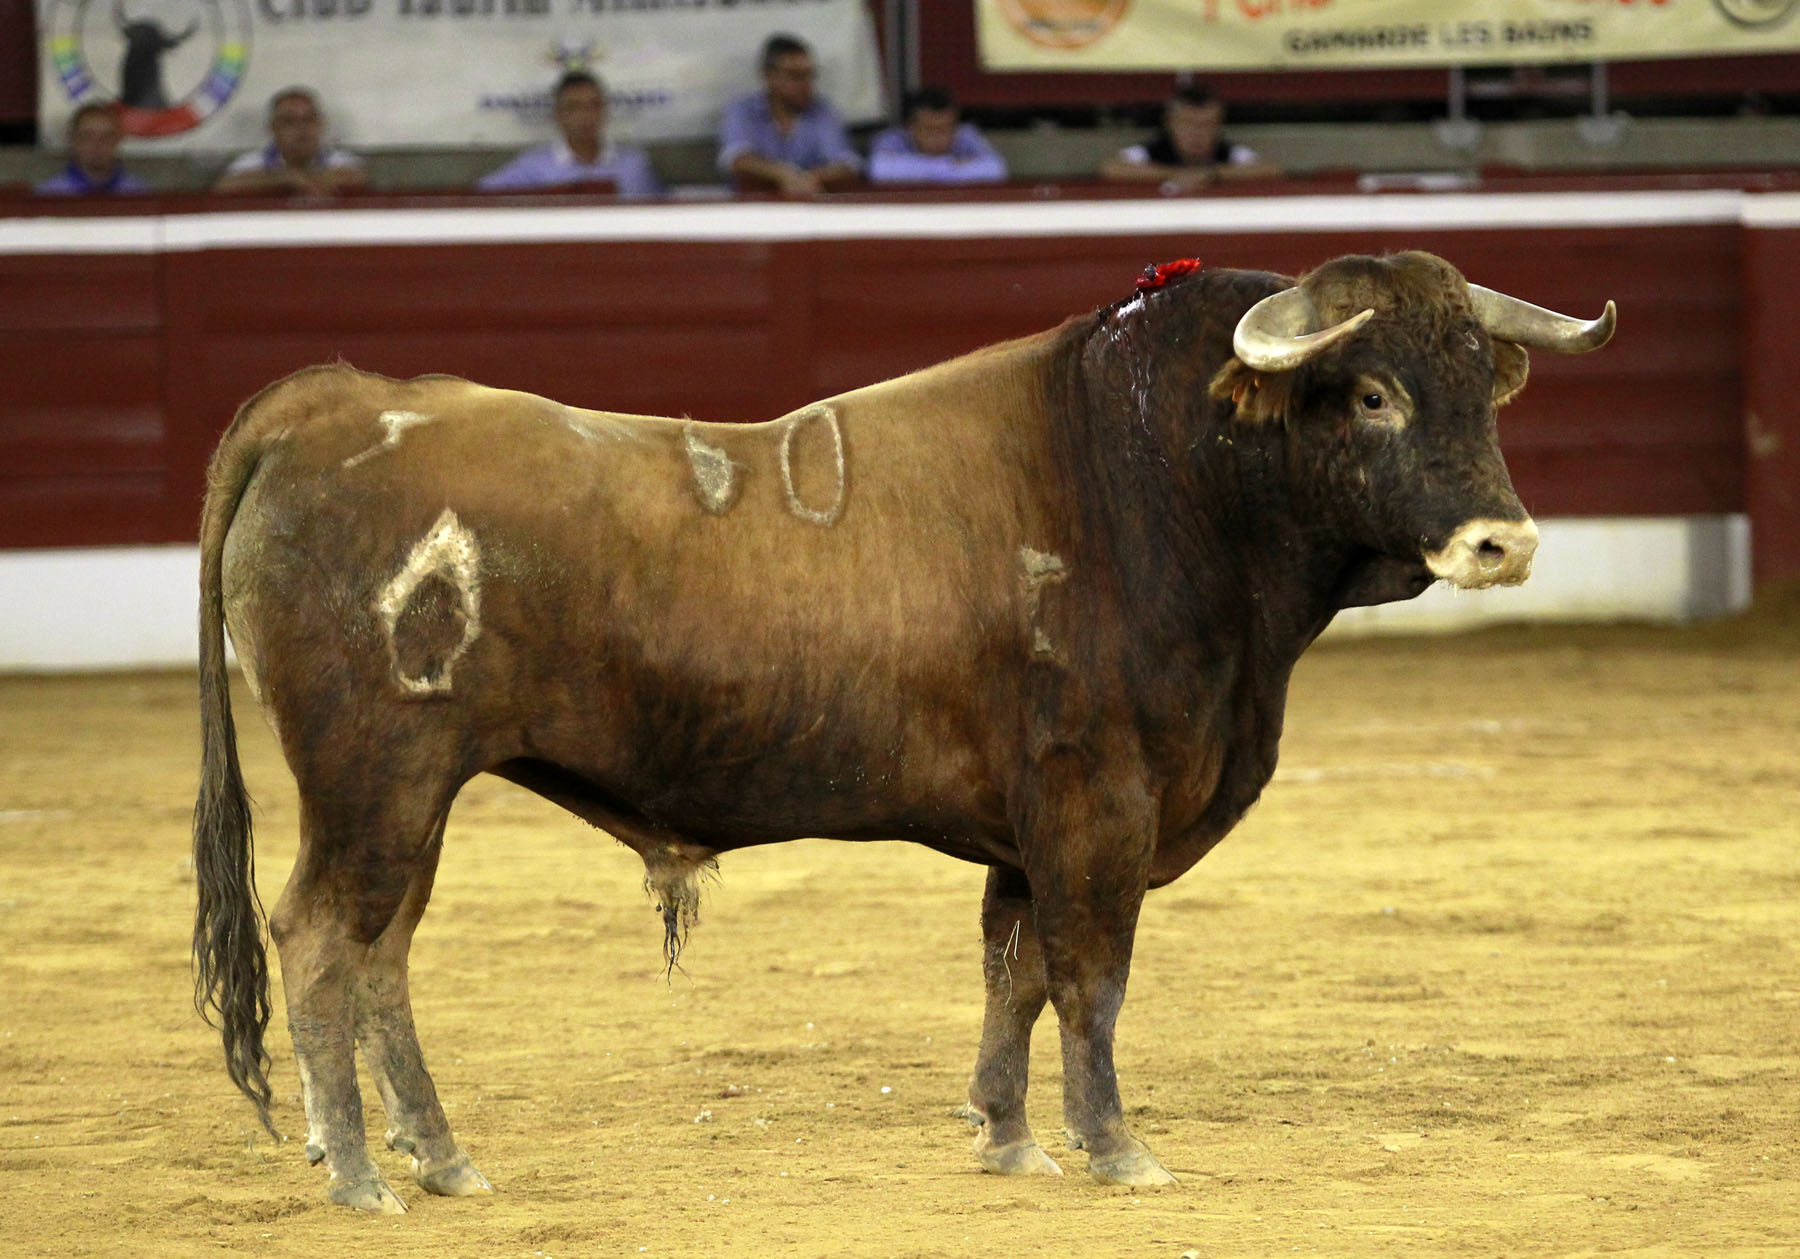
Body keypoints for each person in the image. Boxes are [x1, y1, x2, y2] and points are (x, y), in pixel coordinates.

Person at [717, 33, 861, 197]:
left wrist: (809, 178)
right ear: (768, 76)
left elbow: (847, 164)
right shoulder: (743, 110)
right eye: (796, 76)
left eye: (810, 75)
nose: (806, 85)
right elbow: (737, 159)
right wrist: (781, 174)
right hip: (753, 209)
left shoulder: (822, 111)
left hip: (810, 207)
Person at [478, 71, 662, 196]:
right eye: (574, 108)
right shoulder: (534, 167)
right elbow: (479, 196)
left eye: (594, 105)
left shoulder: (633, 165)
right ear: (558, 116)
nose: (586, 116)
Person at [1100, 83, 1280, 192]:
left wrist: (1211, 175)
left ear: (1218, 125)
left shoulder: (1226, 151)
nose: (1197, 133)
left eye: (1206, 125)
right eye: (1188, 124)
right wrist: (1177, 174)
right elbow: (1112, 168)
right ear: (1170, 123)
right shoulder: (1156, 149)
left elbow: (1270, 169)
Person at [213, 86, 367, 196]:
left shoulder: (341, 160)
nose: (302, 128)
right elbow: (224, 186)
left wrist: (300, 180)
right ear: (273, 128)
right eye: (289, 121)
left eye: (309, 120)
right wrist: (283, 179)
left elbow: (357, 178)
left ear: (321, 125)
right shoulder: (250, 162)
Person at [867, 87, 1007, 186]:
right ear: (910, 128)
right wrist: (953, 165)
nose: (939, 136)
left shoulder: (966, 135)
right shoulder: (891, 138)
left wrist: (918, 169)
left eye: (946, 128)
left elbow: (995, 168)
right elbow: (879, 169)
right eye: (930, 129)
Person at [35, 103, 150, 195]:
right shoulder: (49, 195)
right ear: (73, 140)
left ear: (118, 141)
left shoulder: (139, 193)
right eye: (87, 136)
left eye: (107, 137)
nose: (97, 145)